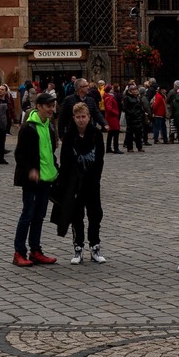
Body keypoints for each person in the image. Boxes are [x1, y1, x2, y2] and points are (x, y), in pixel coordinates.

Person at [51, 98, 107, 263]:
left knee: (95, 214)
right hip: (74, 183)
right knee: (76, 216)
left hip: (92, 181)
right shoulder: (69, 136)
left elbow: (100, 159)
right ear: (74, 118)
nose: (81, 119)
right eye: (78, 117)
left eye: (84, 116)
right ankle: (78, 247)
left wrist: (95, 178)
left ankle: (95, 246)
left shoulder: (96, 134)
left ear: (89, 117)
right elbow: (65, 161)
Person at [13, 89, 60, 266]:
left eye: (53, 106)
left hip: (47, 178)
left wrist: (56, 169)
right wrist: (30, 171)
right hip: (32, 179)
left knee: (39, 216)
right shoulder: (28, 127)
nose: (51, 109)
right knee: (28, 215)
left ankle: (35, 250)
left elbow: (49, 152)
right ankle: (19, 252)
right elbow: (20, 155)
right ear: (38, 106)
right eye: (48, 106)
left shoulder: (49, 125)